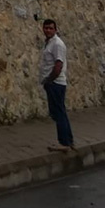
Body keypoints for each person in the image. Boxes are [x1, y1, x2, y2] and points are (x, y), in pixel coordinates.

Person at [39, 18, 74, 151]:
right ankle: (68, 141)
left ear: (55, 29)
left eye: (50, 28)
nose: (47, 30)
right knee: (59, 112)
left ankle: (64, 142)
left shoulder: (57, 44)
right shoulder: (49, 43)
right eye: (46, 28)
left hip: (56, 83)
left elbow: (58, 65)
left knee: (58, 113)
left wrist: (50, 80)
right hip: (53, 83)